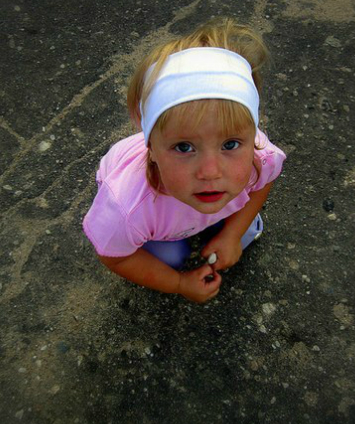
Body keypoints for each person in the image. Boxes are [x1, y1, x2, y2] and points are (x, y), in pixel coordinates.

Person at [83, 18, 286, 303]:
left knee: (243, 234)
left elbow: (265, 180)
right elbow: (114, 256)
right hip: (157, 222)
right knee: (170, 256)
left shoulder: (259, 158)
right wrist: (178, 283)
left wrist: (232, 234)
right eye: (183, 147)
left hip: (188, 213)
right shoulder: (127, 208)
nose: (210, 172)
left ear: (251, 136)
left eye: (230, 144)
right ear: (151, 148)